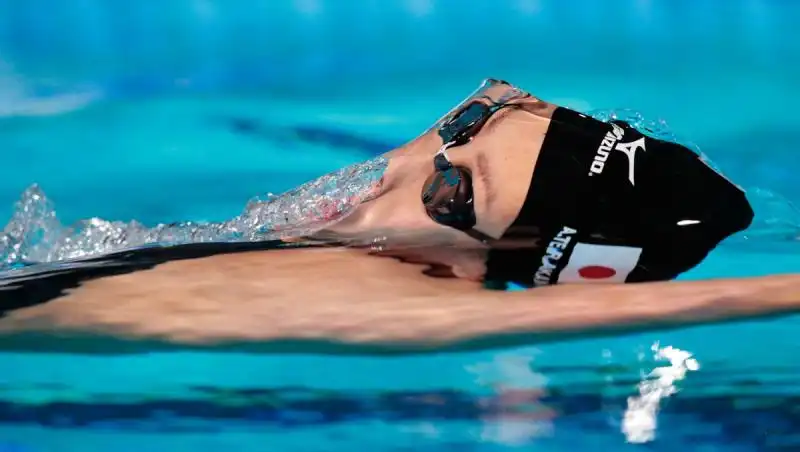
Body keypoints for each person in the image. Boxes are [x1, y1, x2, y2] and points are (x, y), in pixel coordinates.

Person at [0, 79, 798, 354]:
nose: (411, 161)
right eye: (470, 120)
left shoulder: (401, 303)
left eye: (452, 194)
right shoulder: (362, 240)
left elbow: (703, 298)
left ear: (473, 264)